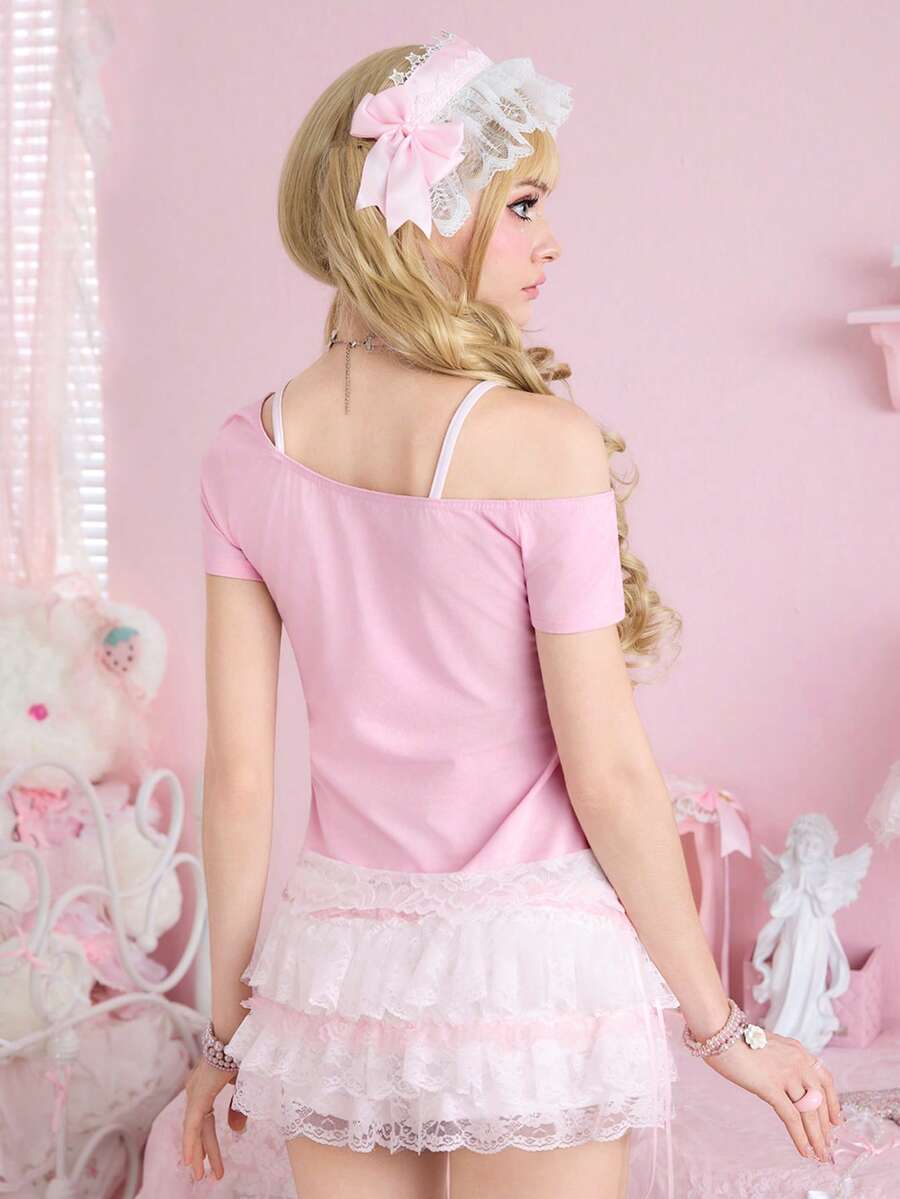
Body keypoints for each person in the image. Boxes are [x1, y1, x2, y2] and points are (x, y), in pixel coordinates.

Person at [181, 30, 843, 1199]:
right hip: (531, 964)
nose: (550, 240)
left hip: (341, 966)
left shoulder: (246, 452)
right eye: (523, 203)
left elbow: (238, 777)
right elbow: (612, 774)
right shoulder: (541, 443)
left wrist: (224, 1037)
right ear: (425, 217)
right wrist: (723, 1026)